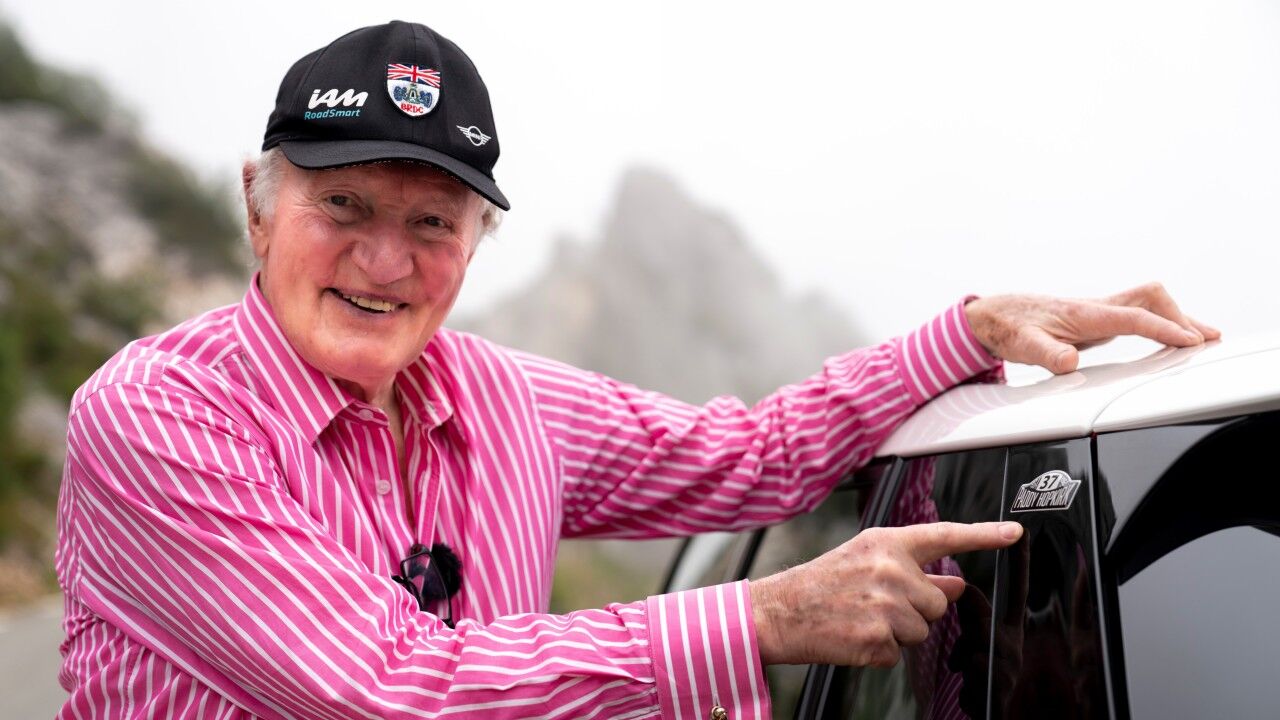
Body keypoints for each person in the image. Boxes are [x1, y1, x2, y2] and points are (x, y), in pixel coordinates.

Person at [54, 20, 1218, 720]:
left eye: (431, 223)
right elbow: (382, 686)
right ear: (257, 208)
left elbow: (751, 456)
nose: (384, 260)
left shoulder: (506, 399)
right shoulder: (159, 415)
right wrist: (763, 618)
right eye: (343, 206)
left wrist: (967, 332)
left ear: (473, 245)